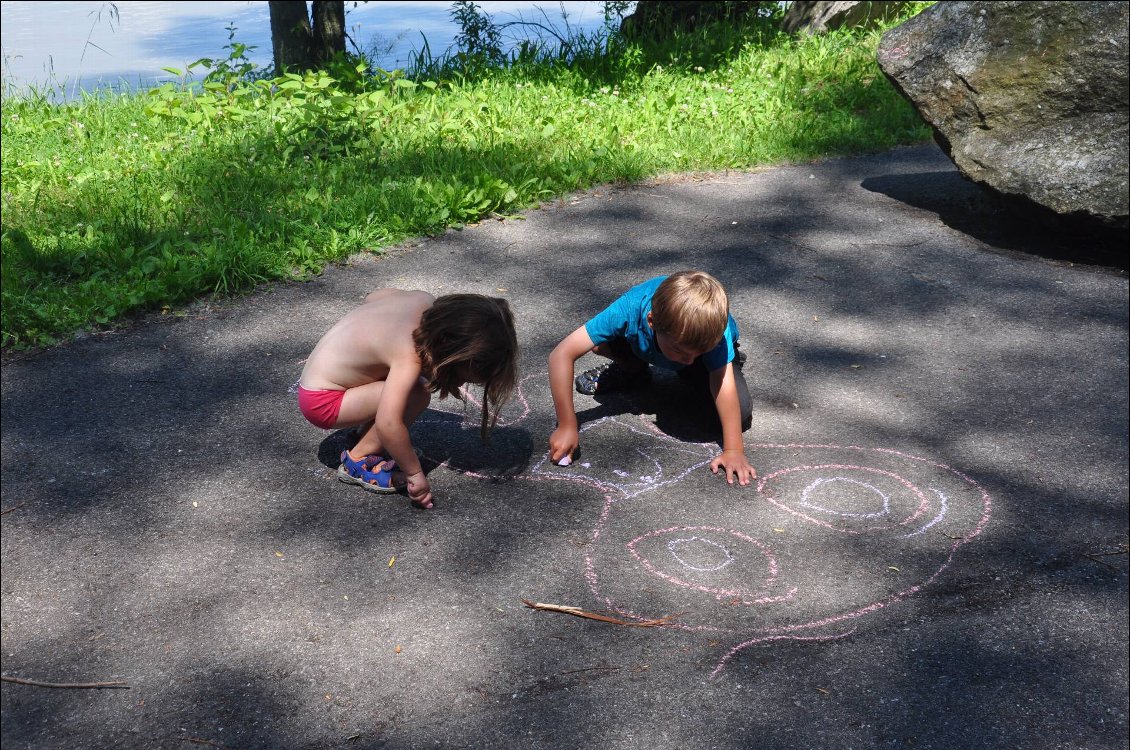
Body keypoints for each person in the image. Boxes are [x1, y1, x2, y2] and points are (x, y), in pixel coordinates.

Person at [298, 289, 518, 508]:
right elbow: (389, 423)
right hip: (323, 403)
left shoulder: (422, 300)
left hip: (322, 379)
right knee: (417, 393)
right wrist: (414, 473)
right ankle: (358, 459)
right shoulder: (407, 354)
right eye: (460, 377)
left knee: (403, 380)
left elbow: (373, 297)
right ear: (448, 354)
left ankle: (362, 433)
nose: (459, 385)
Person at [548, 271, 755, 485]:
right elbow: (561, 354)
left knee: (738, 411)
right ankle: (632, 370)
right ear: (652, 321)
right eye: (682, 351)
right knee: (599, 341)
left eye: (697, 352)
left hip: (702, 361)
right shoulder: (631, 307)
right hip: (642, 344)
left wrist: (733, 449)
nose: (689, 359)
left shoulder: (711, 333)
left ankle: (721, 360)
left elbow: (722, 382)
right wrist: (566, 424)